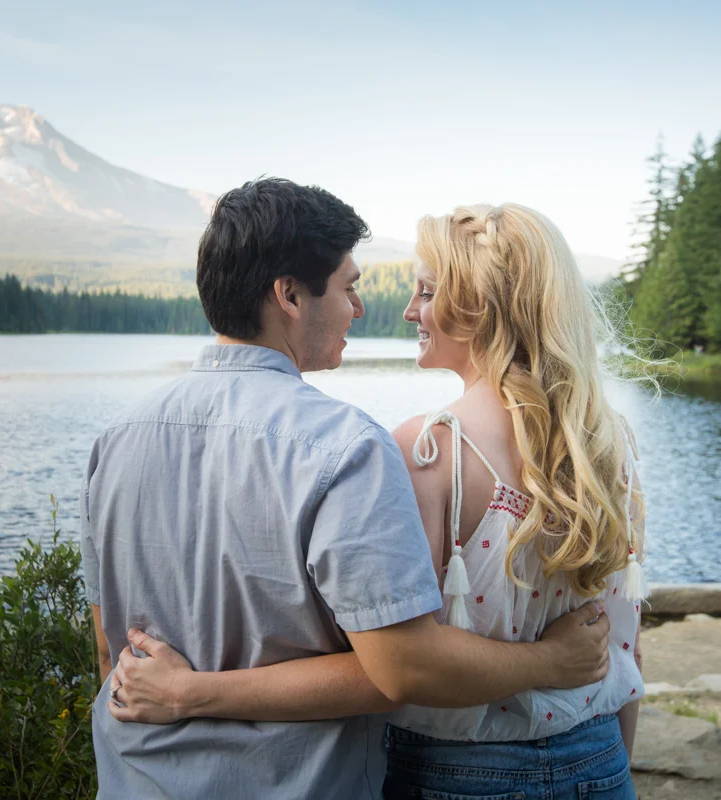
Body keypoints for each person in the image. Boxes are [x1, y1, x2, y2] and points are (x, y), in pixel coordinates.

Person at [80, 180, 612, 799]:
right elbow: (400, 670)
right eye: (348, 287)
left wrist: (185, 693)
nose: (359, 308)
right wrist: (553, 662)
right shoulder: (345, 447)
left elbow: (112, 652)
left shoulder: (114, 442)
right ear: (289, 296)